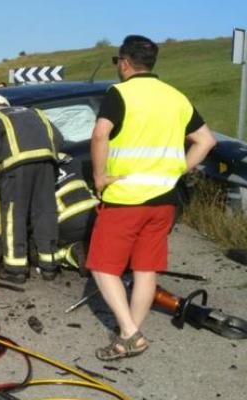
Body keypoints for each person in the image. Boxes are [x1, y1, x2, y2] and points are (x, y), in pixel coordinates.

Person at [87, 35, 216, 361]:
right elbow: (206, 140)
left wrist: (100, 176)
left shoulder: (120, 93)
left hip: (126, 198)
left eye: (118, 62)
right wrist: (178, 171)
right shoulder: (175, 97)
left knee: (102, 267)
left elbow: (101, 133)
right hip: (164, 200)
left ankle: (130, 333)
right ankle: (125, 340)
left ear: (125, 63)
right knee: (145, 268)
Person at [0, 94, 64, 284]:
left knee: (14, 216)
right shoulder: (35, 113)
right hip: (46, 165)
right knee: (45, 213)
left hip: (16, 170)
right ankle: (49, 265)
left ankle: (16, 269)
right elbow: (58, 137)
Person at [52, 155, 98, 273]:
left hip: (67, 223)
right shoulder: (71, 159)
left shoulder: (36, 171)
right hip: (94, 214)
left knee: (40, 253)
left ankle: (70, 254)